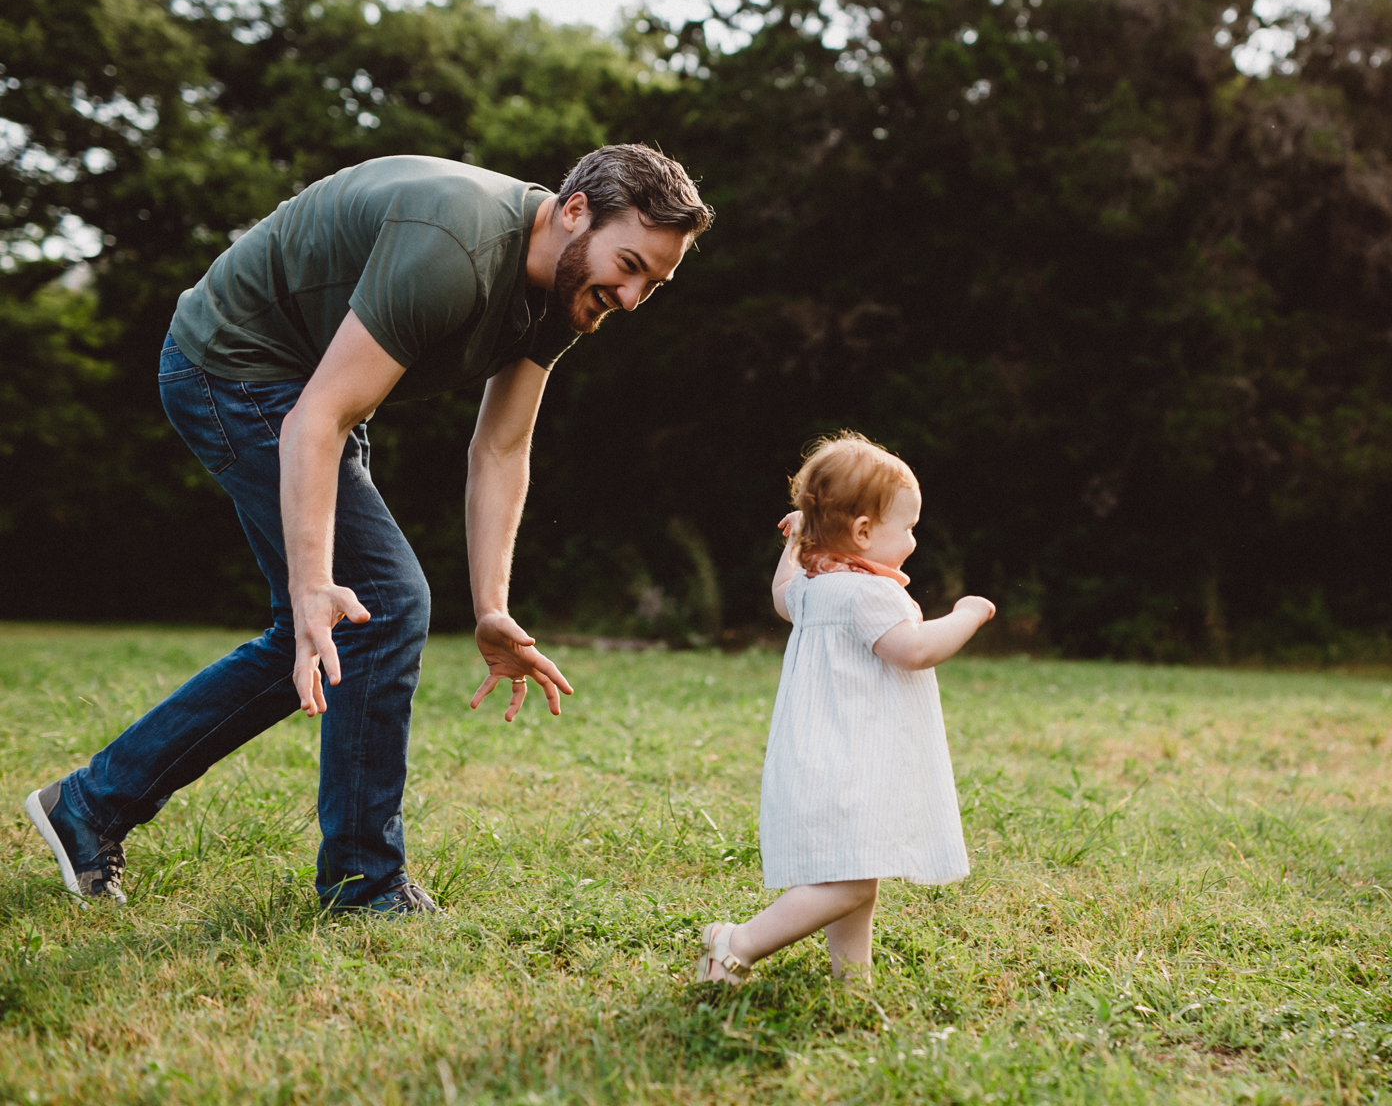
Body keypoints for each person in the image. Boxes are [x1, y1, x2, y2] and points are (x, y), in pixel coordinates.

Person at [24, 146, 714, 912]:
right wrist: (313, 579)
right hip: (234, 366)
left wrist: (491, 607)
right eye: (629, 265)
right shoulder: (456, 248)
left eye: (654, 281)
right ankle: (364, 883)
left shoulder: (565, 287)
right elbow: (315, 418)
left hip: (308, 387)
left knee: (334, 623)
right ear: (575, 210)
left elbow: (501, 445)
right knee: (378, 603)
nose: (631, 294)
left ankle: (89, 806)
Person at [695, 432, 996, 984]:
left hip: (824, 752)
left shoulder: (815, 584)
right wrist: (967, 615)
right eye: (907, 528)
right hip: (853, 757)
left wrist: (795, 544)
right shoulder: (867, 594)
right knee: (852, 879)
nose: (912, 540)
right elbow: (915, 650)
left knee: (855, 867)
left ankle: (851, 975)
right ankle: (737, 942)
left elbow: (781, 595)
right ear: (863, 531)